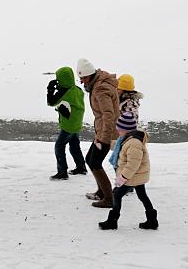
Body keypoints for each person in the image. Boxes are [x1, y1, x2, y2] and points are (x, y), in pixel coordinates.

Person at [98, 111, 158, 231]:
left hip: (132, 176)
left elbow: (133, 164)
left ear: (126, 129)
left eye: (119, 129)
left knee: (117, 195)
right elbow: (118, 146)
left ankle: (112, 221)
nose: (118, 131)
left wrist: (123, 178)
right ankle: (152, 220)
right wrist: (104, 144)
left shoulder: (134, 143)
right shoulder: (127, 139)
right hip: (137, 176)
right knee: (142, 196)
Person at [77, 58, 119, 208]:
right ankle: (101, 192)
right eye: (80, 78)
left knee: (95, 163)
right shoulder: (96, 85)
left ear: (91, 75)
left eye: (84, 78)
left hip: (107, 133)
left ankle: (109, 199)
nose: (82, 82)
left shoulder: (101, 89)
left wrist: (104, 139)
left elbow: (109, 115)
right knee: (90, 159)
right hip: (101, 131)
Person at [46, 66, 87, 180]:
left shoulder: (64, 92)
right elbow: (70, 96)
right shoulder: (77, 90)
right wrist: (61, 87)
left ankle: (62, 172)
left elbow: (51, 102)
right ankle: (81, 167)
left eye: (59, 79)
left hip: (68, 125)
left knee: (59, 146)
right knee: (74, 146)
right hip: (77, 123)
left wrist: (50, 89)